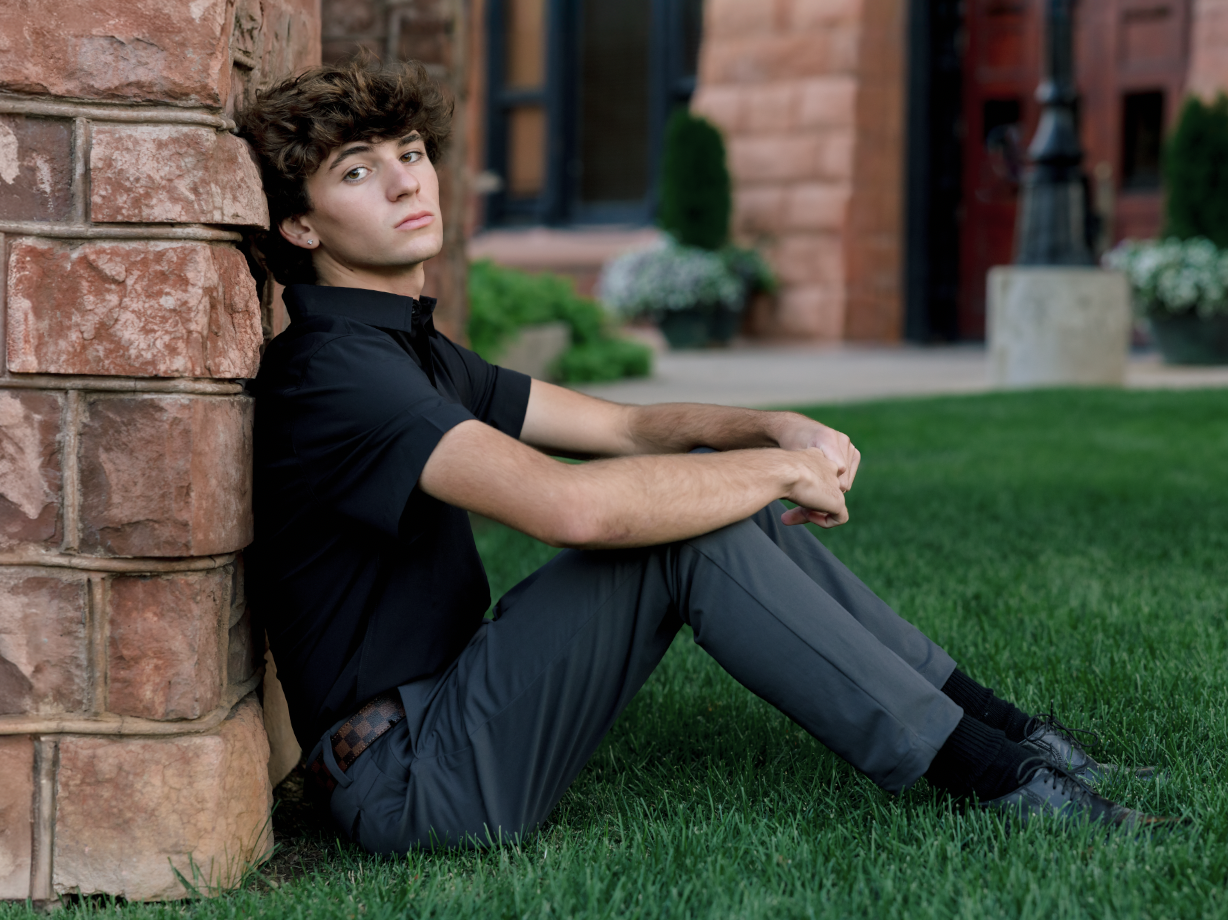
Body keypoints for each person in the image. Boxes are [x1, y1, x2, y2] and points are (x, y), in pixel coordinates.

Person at [239, 57, 1173, 856]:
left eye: (409, 154)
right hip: (406, 783)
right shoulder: (335, 371)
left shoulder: (409, 349)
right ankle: (1002, 782)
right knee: (693, 530)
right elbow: (572, 510)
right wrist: (771, 475)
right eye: (358, 172)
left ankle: (1020, 741)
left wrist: (770, 429)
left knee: (712, 499)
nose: (409, 182)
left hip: (449, 713)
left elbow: (625, 428)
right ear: (301, 228)